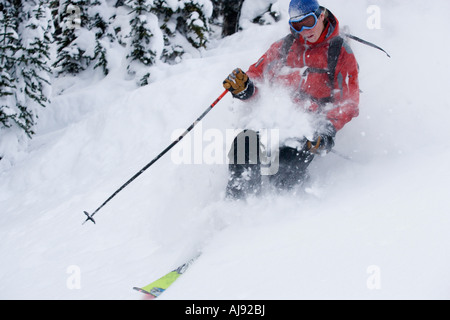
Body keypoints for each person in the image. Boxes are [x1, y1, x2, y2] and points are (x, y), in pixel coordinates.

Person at [223, 0, 360, 199]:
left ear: (321, 15)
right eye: (297, 25)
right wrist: (246, 88)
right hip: (275, 119)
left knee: (286, 160)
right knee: (244, 145)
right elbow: (257, 75)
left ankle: (285, 213)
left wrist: (326, 130)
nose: (304, 30)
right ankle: (237, 206)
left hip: (308, 126)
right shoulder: (285, 46)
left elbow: (348, 102)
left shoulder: (339, 51)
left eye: (309, 22)